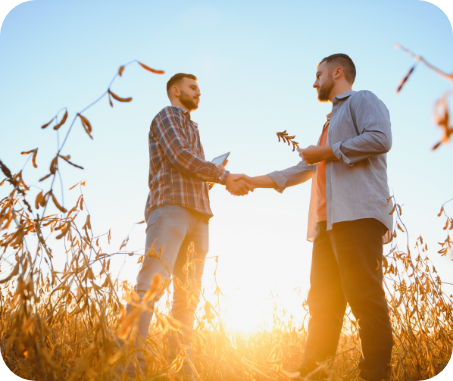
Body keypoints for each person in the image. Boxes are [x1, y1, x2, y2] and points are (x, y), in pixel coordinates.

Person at [233, 54, 394, 381]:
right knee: (323, 304)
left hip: (357, 217)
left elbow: (380, 139)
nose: (314, 81)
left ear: (337, 72)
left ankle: (375, 375)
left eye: (318, 73)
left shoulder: (362, 100)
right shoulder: (328, 124)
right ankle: (313, 374)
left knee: (365, 298)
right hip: (326, 225)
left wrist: (326, 152)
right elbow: (301, 170)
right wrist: (252, 180)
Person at [126, 73, 253, 379]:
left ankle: (181, 369)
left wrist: (214, 174)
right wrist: (223, 176)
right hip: (170, 208)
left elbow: (187, 167)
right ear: (175, 90)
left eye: (199, 89)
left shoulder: (191, 126)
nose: (198, 93)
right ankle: (129, 366)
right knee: (150, 286)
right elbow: (180, 157)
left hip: (199, 213)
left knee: (187, 296)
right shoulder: (167, 115)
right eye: (193, 88)